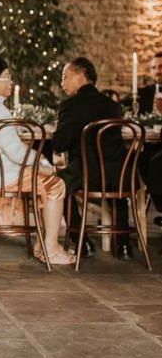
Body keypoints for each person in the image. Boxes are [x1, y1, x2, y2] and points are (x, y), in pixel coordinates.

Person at [0, 55, 73, 265]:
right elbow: (17, 153)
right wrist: (42, 163)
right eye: (7, 78)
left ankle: (43, 244)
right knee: (55, 184)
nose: (11, 82)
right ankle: (51, 248)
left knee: (44, 181)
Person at [53, 57, 133, 260]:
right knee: (117, 192)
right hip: (119, 174)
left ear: (80, 77)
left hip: (87, 174)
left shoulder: (70, 105)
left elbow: (59, 145)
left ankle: (82, 241)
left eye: (65, 77)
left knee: (58, 185)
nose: (62, 84)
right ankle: (124, 245)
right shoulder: (113, 106)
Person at [131, 53, 162, 226]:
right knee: (138, 158)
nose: (158, 71)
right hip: (149, 144)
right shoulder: (143, 94)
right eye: (154, 67)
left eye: (161, 67)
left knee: (156, 163)